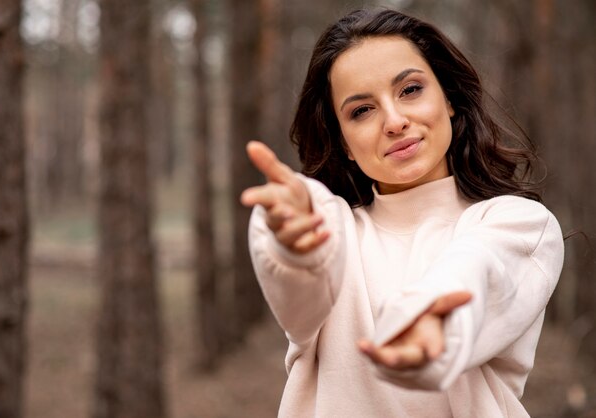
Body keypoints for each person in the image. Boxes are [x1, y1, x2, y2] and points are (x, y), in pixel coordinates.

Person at [240, 8, 564, 418]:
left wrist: (430, 320)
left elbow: (478, 267)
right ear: (341, 142)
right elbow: (303, 277)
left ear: (447, 98)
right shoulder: (335, 231)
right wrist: (290, 238)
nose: (394, 121)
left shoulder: (518, 225)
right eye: (362, 110)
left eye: (410, 90)